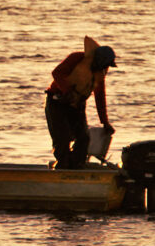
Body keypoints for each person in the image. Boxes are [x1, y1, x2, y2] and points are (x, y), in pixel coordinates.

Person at [45, 36, 117, 170]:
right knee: (62, 139)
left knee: (83, 138)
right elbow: (57, 73)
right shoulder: (77, 58)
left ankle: (77, 166)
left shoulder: (100, 73)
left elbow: (100, 97)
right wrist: (67, 91)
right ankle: (63, 166)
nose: (106, 68)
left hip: (77, 106)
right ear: (98, 60)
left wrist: (105, 122)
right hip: (57, 102)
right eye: (105, 64)